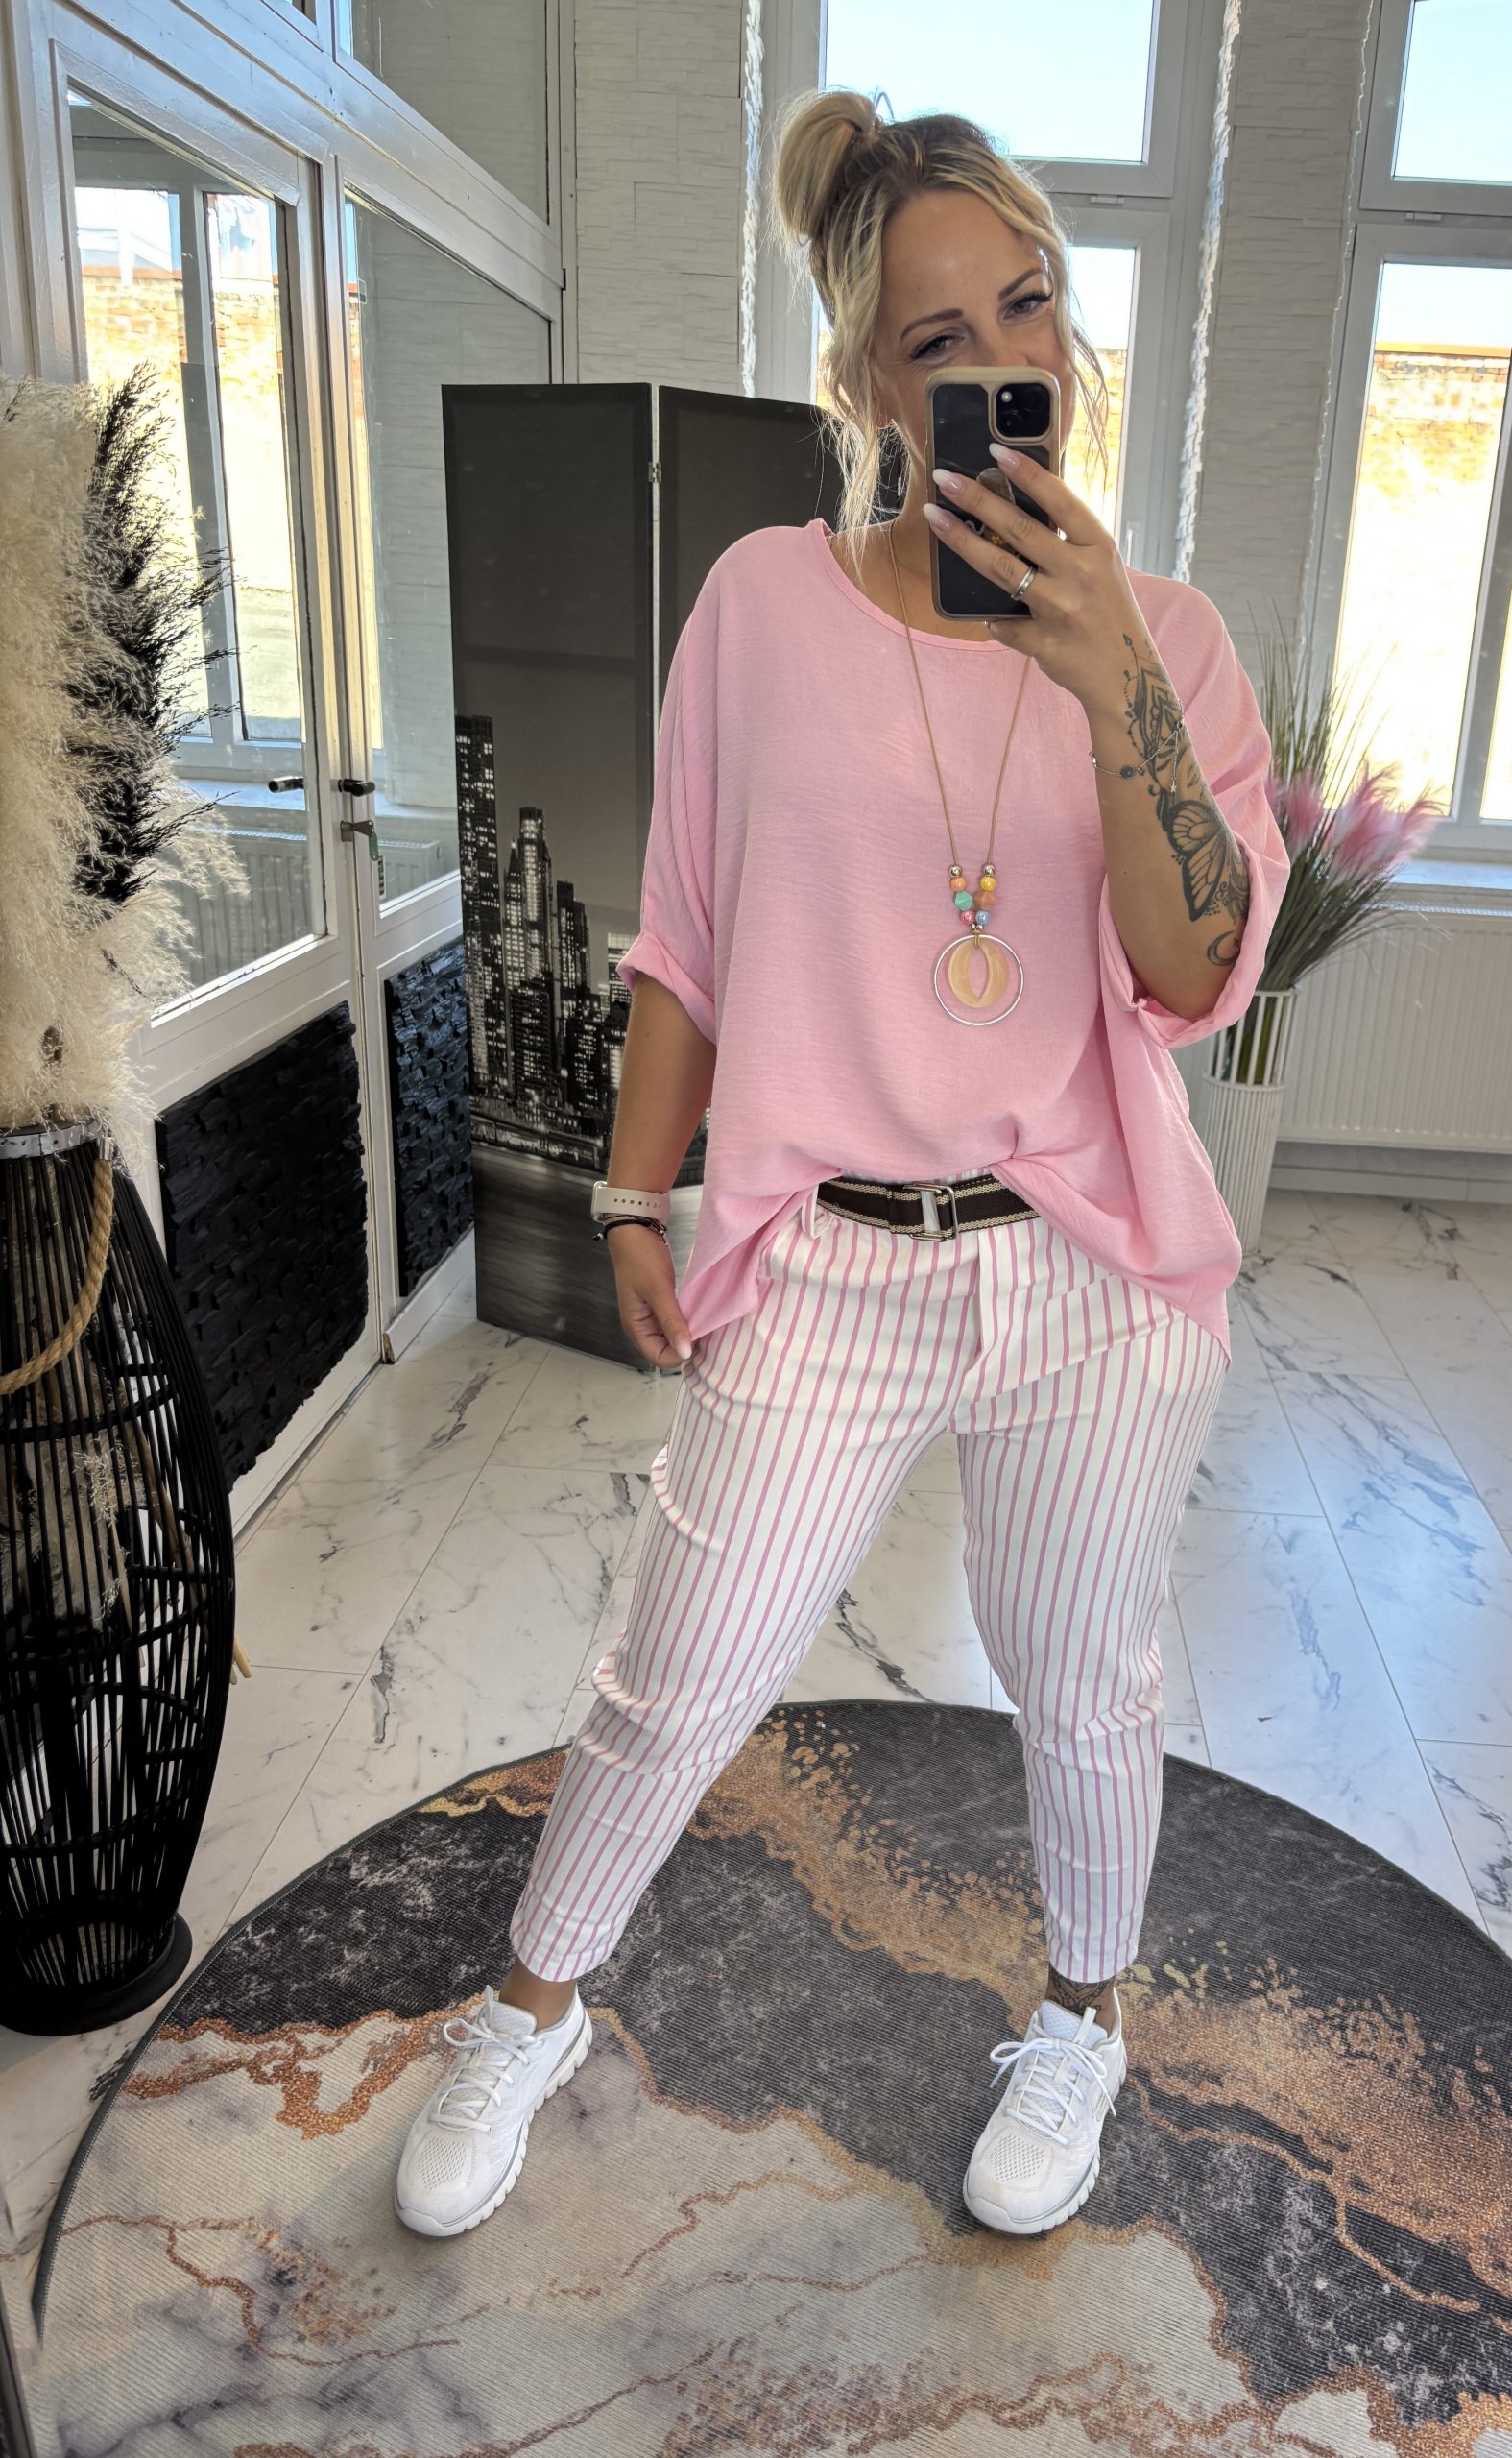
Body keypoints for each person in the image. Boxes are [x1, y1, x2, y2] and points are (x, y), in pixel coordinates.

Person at [393, 84, 1288, 2245]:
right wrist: (632, 1192)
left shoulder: (1167, 639)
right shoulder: (761, 605)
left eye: (1030, 304)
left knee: (1084, 1682)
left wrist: (1113, 679)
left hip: (1086, 1263)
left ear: (1070, 329)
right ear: (872, 385)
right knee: (679, 1668)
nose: (1003, 358)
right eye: (938, 336)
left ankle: (1083, 2016)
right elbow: (684, 933)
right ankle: (528, 2006)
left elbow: (1200, 969)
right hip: (830, 1256)